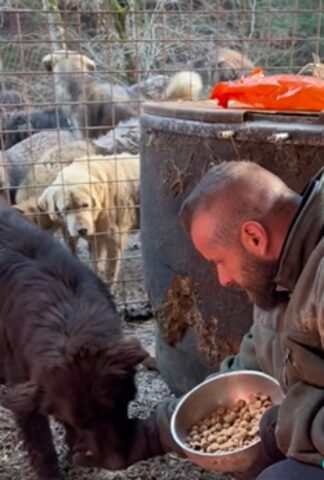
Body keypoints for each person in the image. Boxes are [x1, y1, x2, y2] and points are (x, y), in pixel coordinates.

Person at [79, 161, 324, 479]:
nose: (222, 279)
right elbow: (248, 371)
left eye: (219, 261)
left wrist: (291, 422)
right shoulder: (280, 275)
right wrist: (147, 437)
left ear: (253, 237)